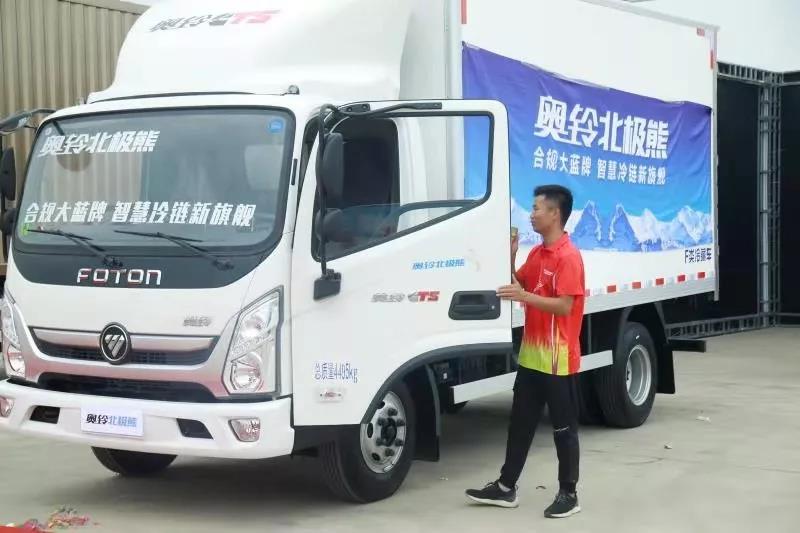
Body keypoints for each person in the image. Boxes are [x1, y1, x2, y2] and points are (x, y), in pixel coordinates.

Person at [465, 184, 586, 519]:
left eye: (536, 208)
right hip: (532, 357)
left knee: (563, 429)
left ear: (555, 214)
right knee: (520, 423)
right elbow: (516, 284)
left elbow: (564, 306)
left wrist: (525, 297)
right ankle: (506, 486)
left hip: (558, 360)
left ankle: (569, 493)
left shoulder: (568, 257)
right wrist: (511, 254)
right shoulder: (537, 254)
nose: (531, 214)